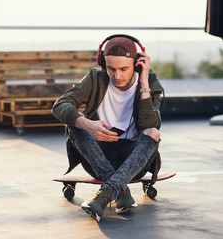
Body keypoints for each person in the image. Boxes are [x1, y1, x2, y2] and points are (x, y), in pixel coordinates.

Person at [52, 34, 164, 222]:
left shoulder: (150, 84)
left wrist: (144, 84)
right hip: (98, 159)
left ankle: (106, 193)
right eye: (111, 69)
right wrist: (88, 124)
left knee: (153, 132)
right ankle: (120, 190)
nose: (117, 76)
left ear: (137, 64)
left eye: (123, 69)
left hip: (134, 161)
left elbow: (149, 124)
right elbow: (60, 105)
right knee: (75, 125)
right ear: (103, 64)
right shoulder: (96, 78)